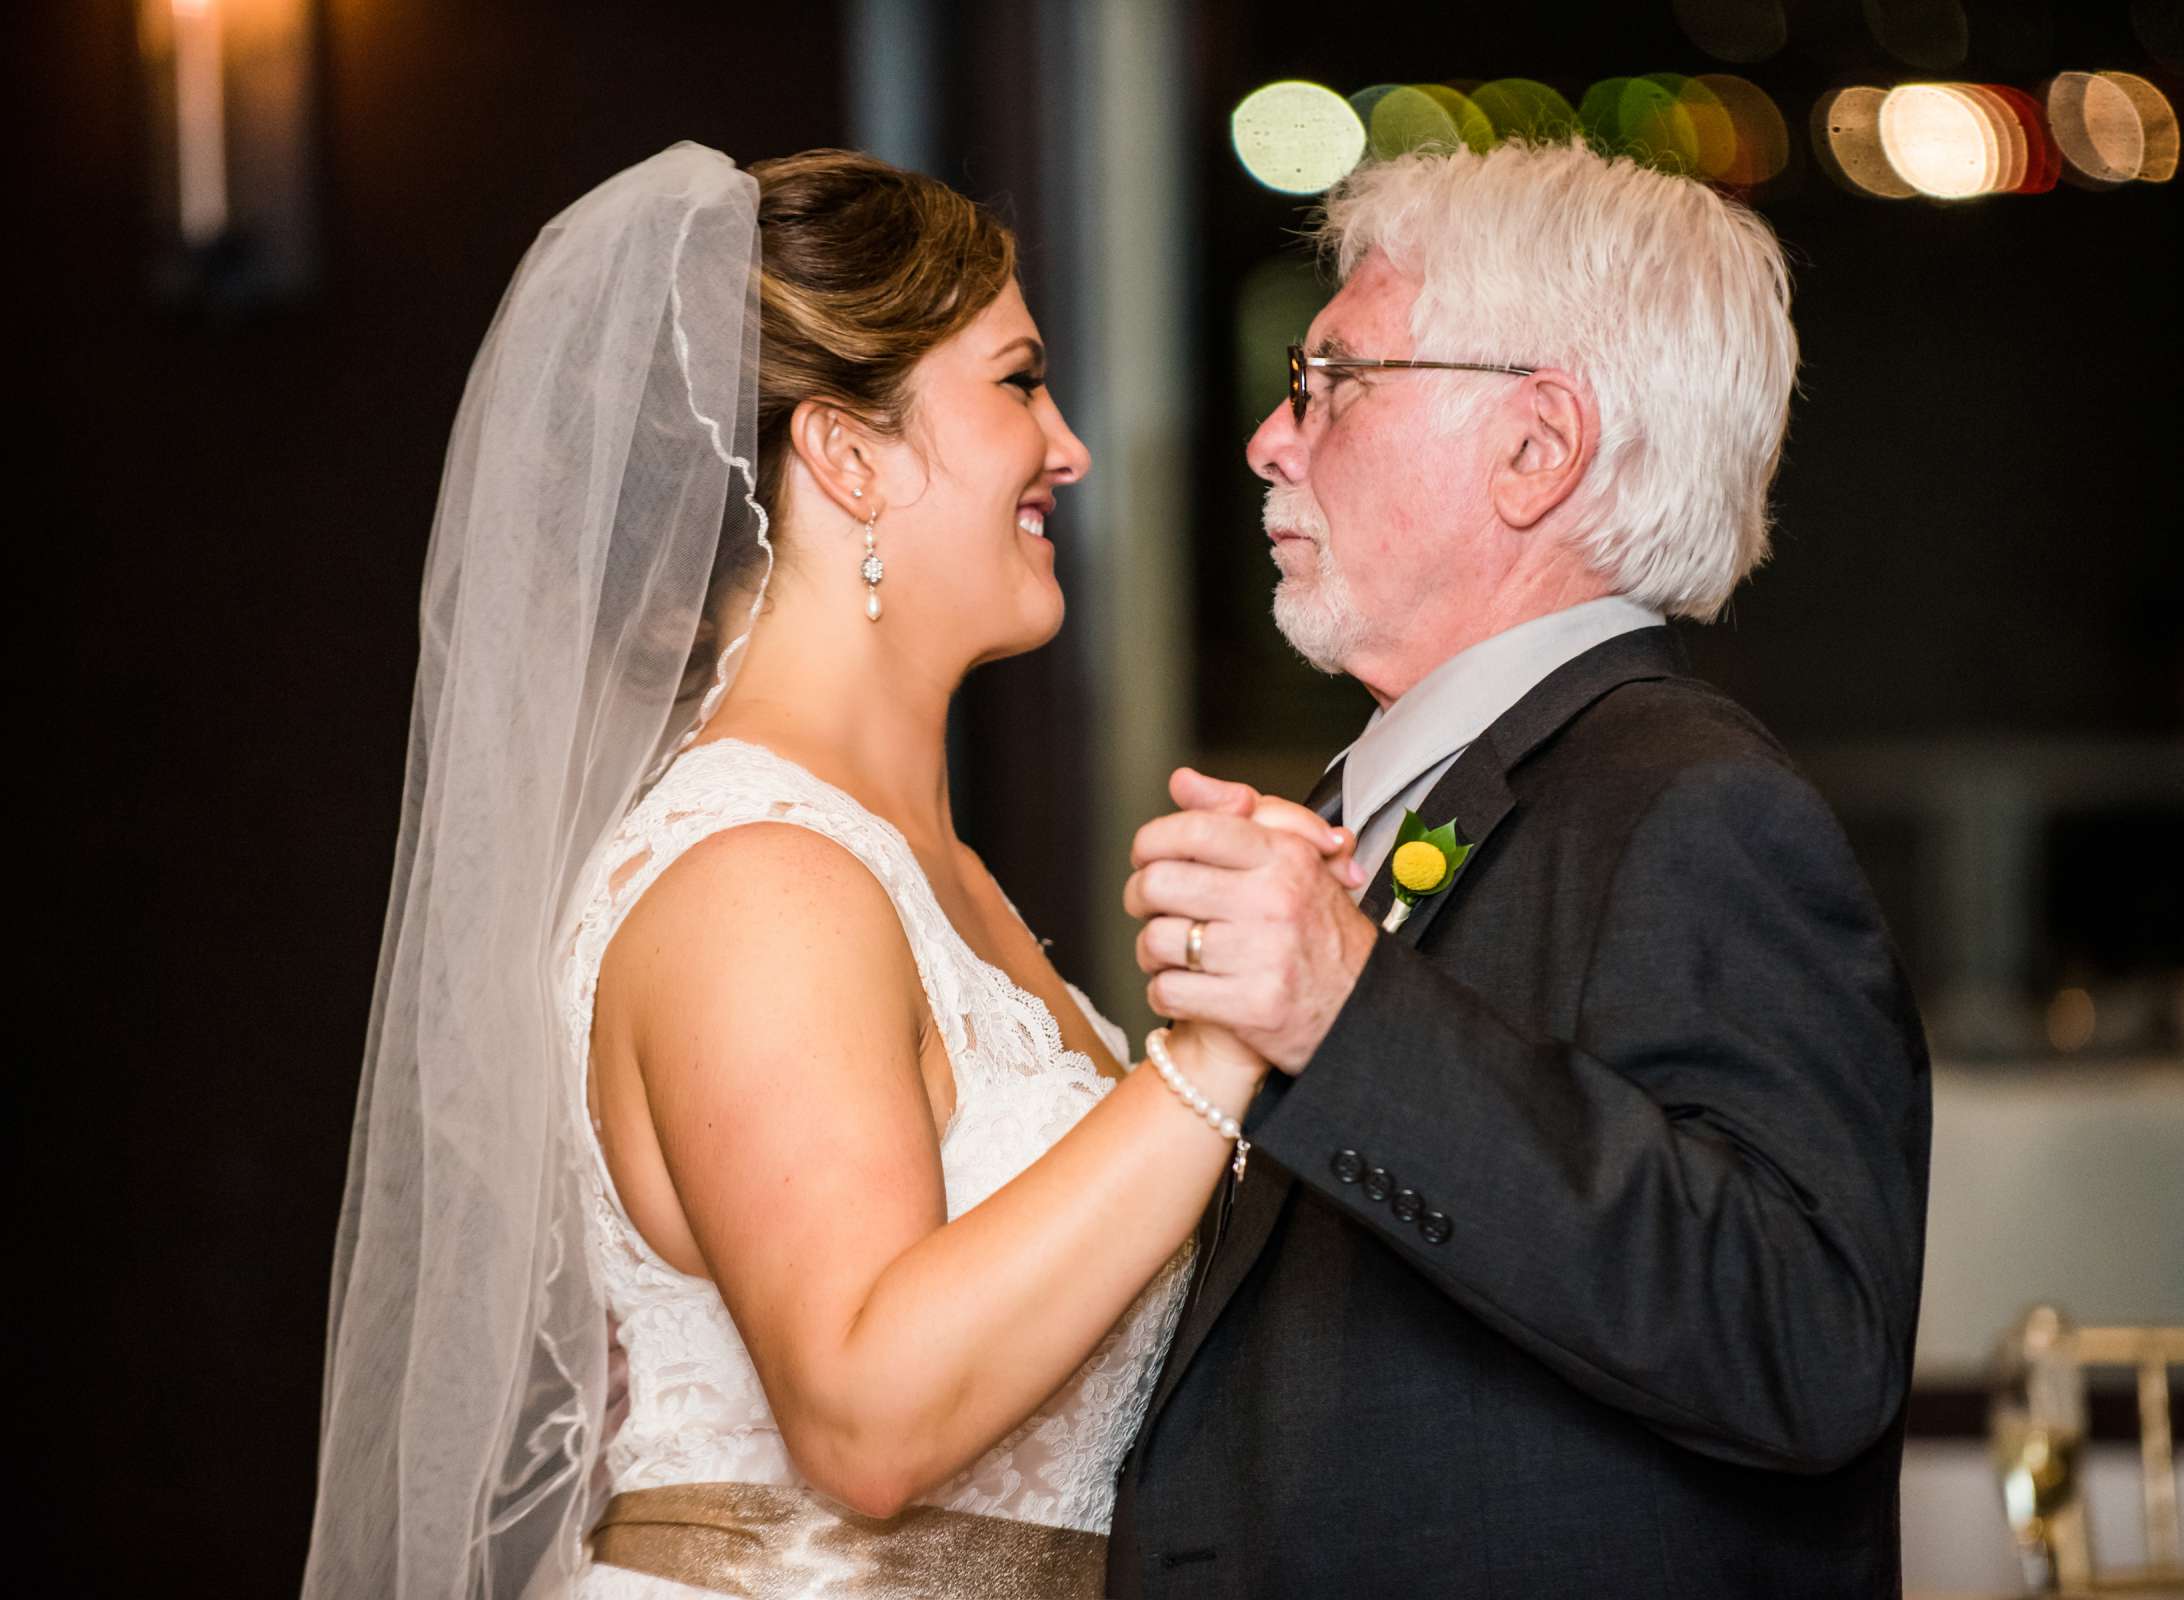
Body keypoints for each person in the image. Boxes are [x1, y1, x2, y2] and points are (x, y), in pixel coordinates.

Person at [303, 142, 1351, 1599]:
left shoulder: (920, 868)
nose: (1069, 446)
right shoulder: (758, 877)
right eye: (1016, 383)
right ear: (848, 456)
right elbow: (865, 1414)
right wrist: (1219, 1053)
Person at [1111, 140, 1933, 1597]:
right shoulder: (1404, 804)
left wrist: (1347, 1016)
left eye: (1332, 382)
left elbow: (1806, 1343)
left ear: (1538, 446)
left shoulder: (1693, 802)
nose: (1269, 439)